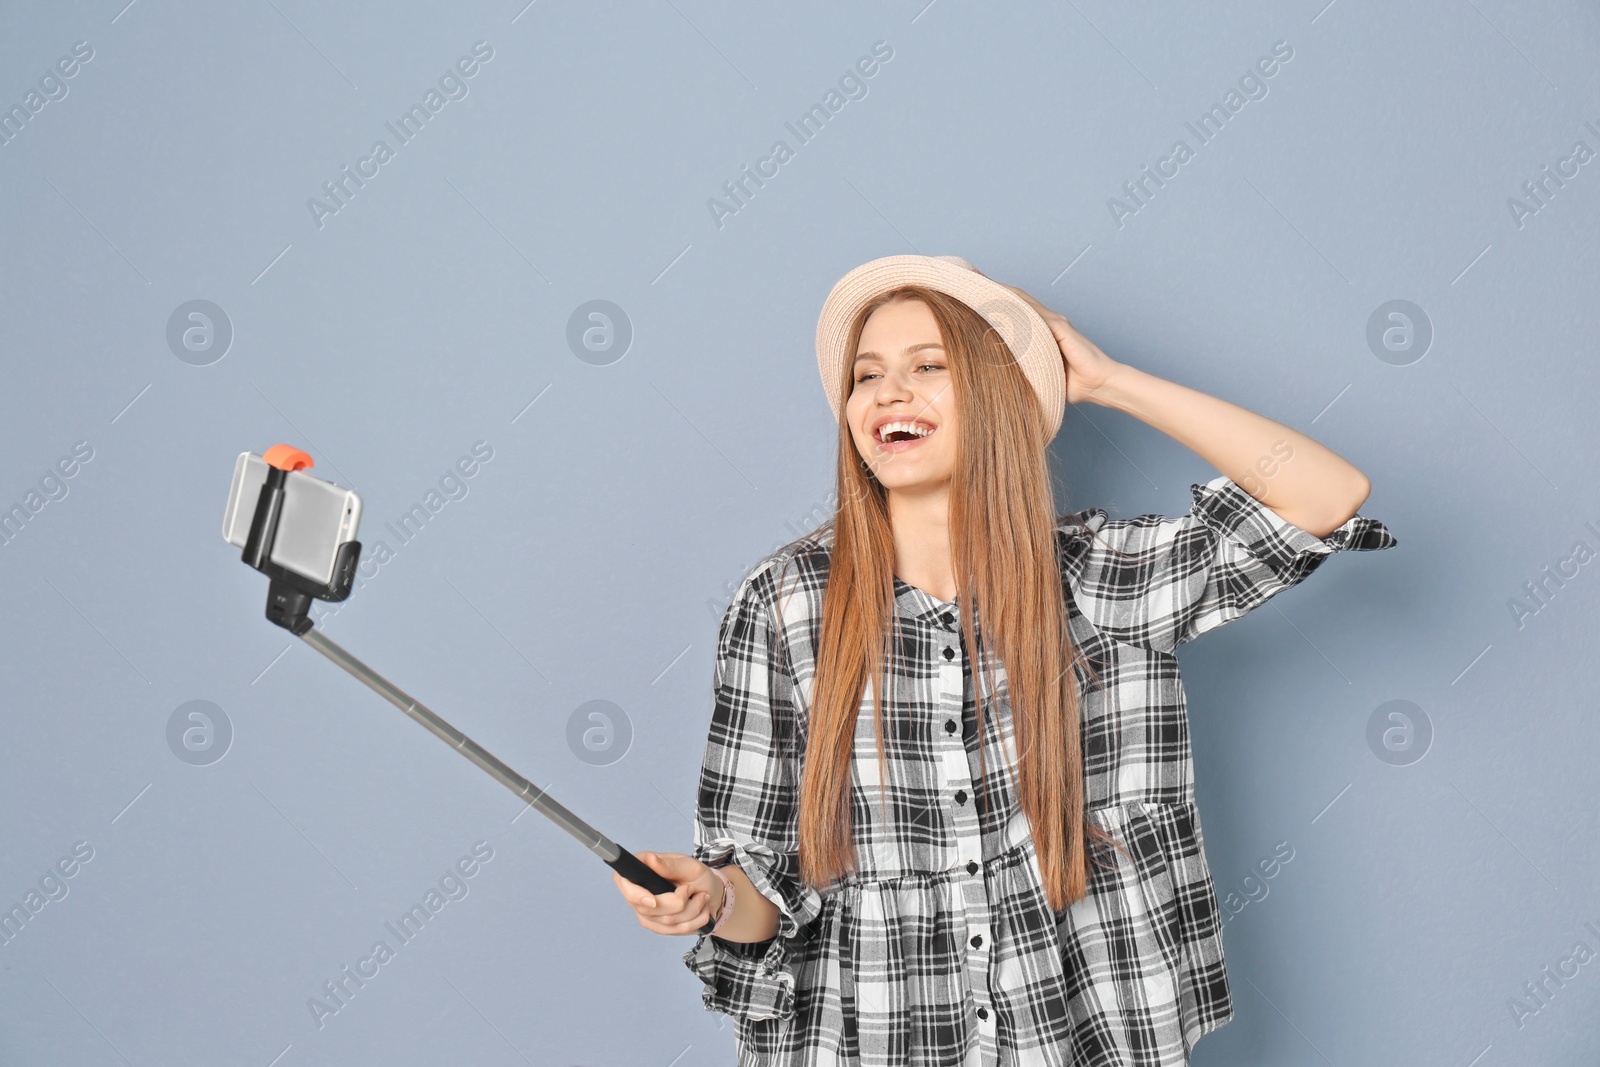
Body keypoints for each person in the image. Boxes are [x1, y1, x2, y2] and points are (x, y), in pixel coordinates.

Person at [611, 254, 1397, 1066]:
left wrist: (1111, 381)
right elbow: (759, 884)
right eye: (867, 374)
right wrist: (709, 899)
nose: (887, 393)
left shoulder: (1097, 579)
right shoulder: (783, 605)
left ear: (995, 394)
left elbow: (1325, 494)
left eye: (929, 366)